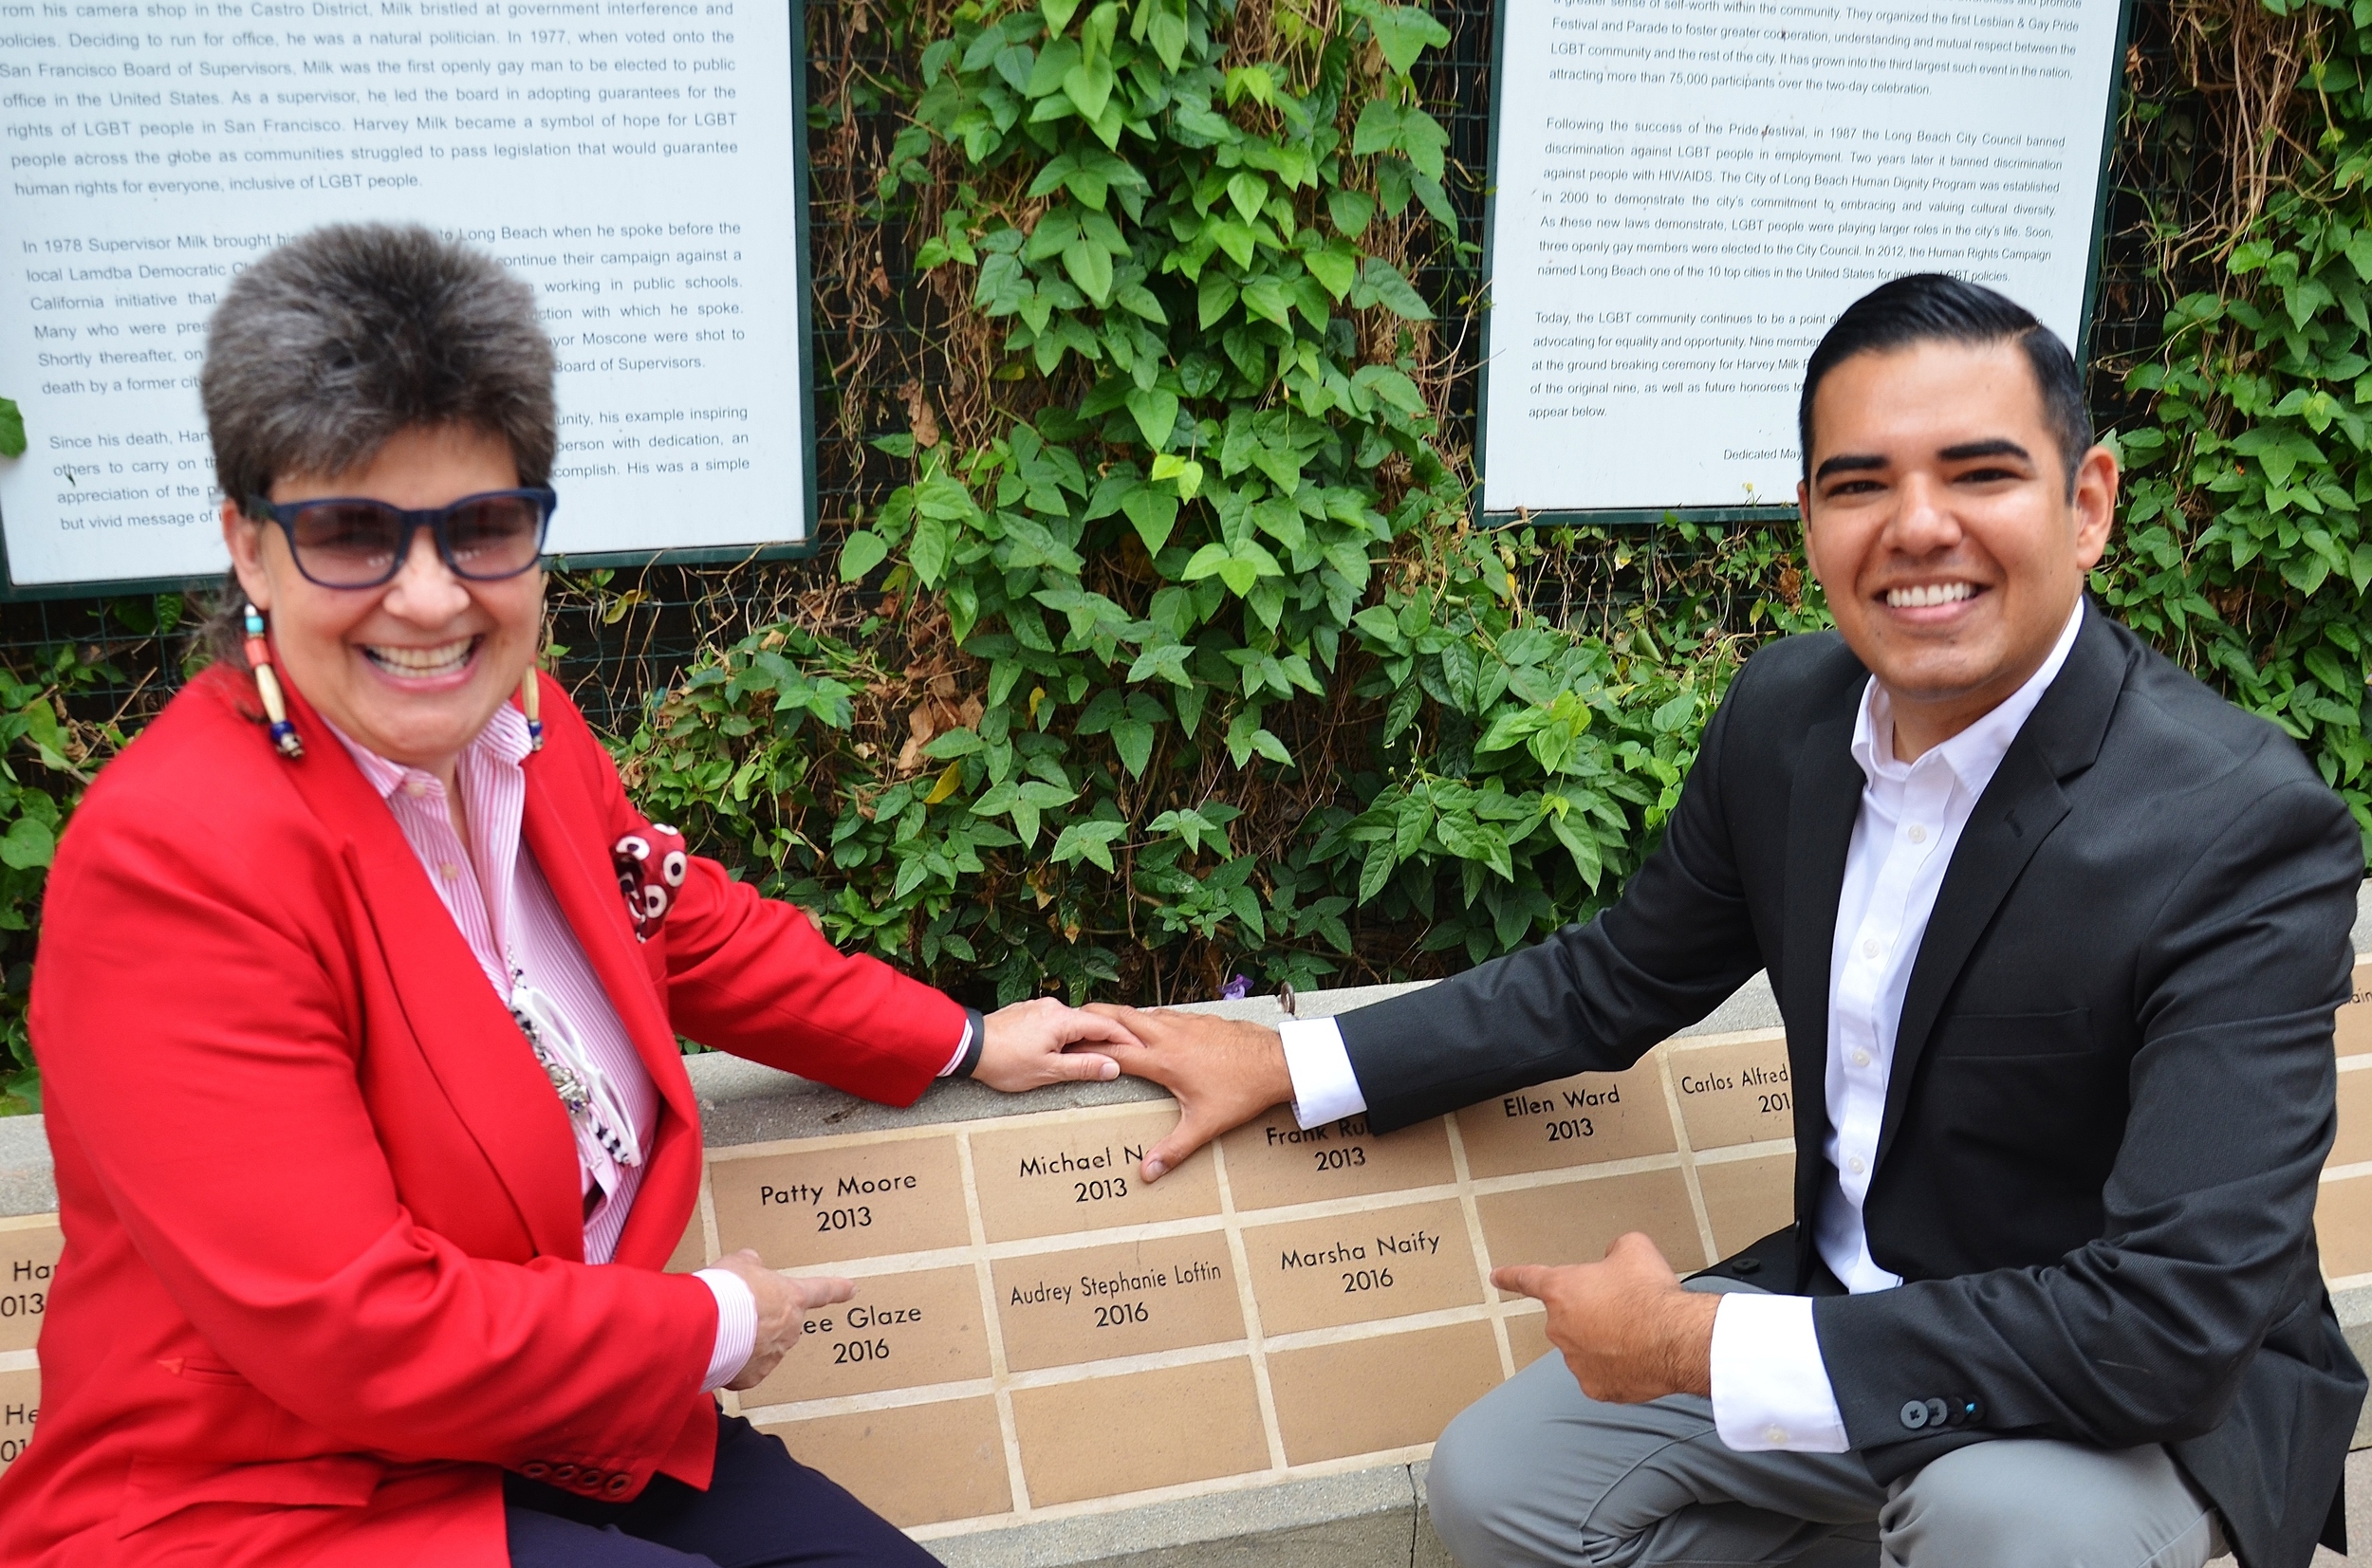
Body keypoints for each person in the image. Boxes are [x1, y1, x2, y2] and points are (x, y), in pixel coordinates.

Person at [1090, 274, 2366, 1568]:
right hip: (1844, 1306)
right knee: (1500, 1484)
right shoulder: (1788, 719)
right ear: (1808, 515)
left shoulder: (2240, 827)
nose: (1918, 526)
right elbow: (1616, 978)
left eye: (1979, 475)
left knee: (1997, 1526)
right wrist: (1291, 1060)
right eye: (1861, 484)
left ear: (2086, 503)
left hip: (2129, 1399)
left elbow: (2163, 1321)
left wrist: (1693, 1343)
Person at [0, 223, 1139, 1568]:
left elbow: (679, 921)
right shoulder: (173, 859)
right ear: (250, 550)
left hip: (551, 1424)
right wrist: (712, 1320)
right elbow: (349, 1326)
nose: (428, 597)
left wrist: (958, 1038)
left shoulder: (525, 726)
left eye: (481, 527)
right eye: (353, 533)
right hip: (280, 1493)